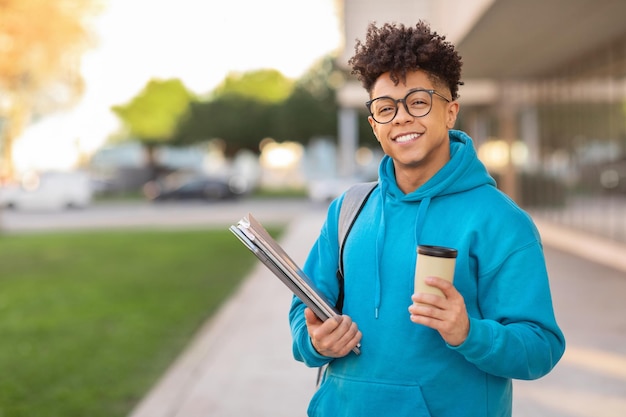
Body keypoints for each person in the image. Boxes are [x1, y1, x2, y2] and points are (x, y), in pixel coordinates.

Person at [288, 21, 565, 417]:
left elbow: (540, 347)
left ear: (450, 111)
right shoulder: (348, 209)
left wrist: (469, 333)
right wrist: (314, 342)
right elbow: (305, 307)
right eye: (386, 108)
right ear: (374, 125)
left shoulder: (501, 221)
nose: (400, 118)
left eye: (417, 101)